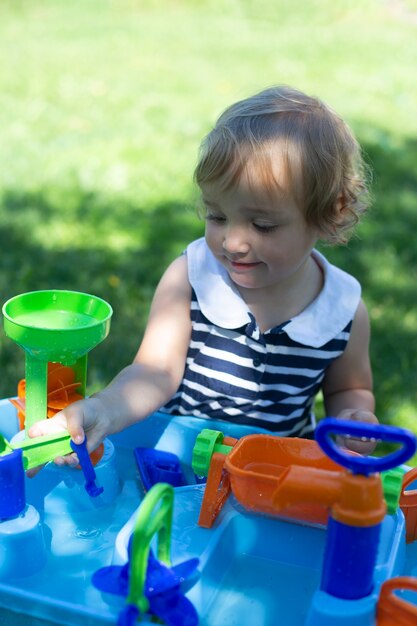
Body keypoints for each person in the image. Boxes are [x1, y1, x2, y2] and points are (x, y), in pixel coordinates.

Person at [29, 84, 378, 469]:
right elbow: (155, 371)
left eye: (262, 225)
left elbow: (350, 387)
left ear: (328, 214)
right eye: (217, 216)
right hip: (180, 463)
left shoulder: (342, 310)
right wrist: (104, 410)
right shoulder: (191, 279)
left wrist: (352, 419)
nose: (233, 241)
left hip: (274, 475)